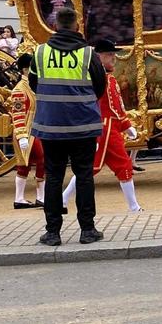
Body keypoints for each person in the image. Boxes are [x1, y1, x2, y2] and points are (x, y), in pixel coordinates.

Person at [28, 6, 107, 245]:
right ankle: (87, 229)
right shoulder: (87, 54)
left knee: (53, 177)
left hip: (51, 125)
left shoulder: (40, 53)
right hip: (82, 125)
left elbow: (34, 84)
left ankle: (53, 232)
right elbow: (100, 86)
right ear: (77, 26)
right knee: (84, 176)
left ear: (55, 26)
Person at [61, 38, 142, 213]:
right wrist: (126, 124)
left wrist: (125, 124)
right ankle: (133, 207)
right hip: (105, 128)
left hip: (107, 126)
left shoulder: (104, 76)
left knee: (106, 166)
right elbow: (113, 107)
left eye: (113, 54)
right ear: (99, 56)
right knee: (100, 167)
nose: (114, 58)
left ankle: (64, 198)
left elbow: (116, 104)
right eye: (109, 55)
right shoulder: (99, 78)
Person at [8, 54, 44, 209]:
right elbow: (18, 114)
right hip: (26, 133)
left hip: (35, 130)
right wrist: (22, 135)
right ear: (25, 69)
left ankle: (21, 198)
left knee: (27, 165)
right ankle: (39, 197)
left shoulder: (33, 85)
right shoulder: (19, 90)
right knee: (41, 160)